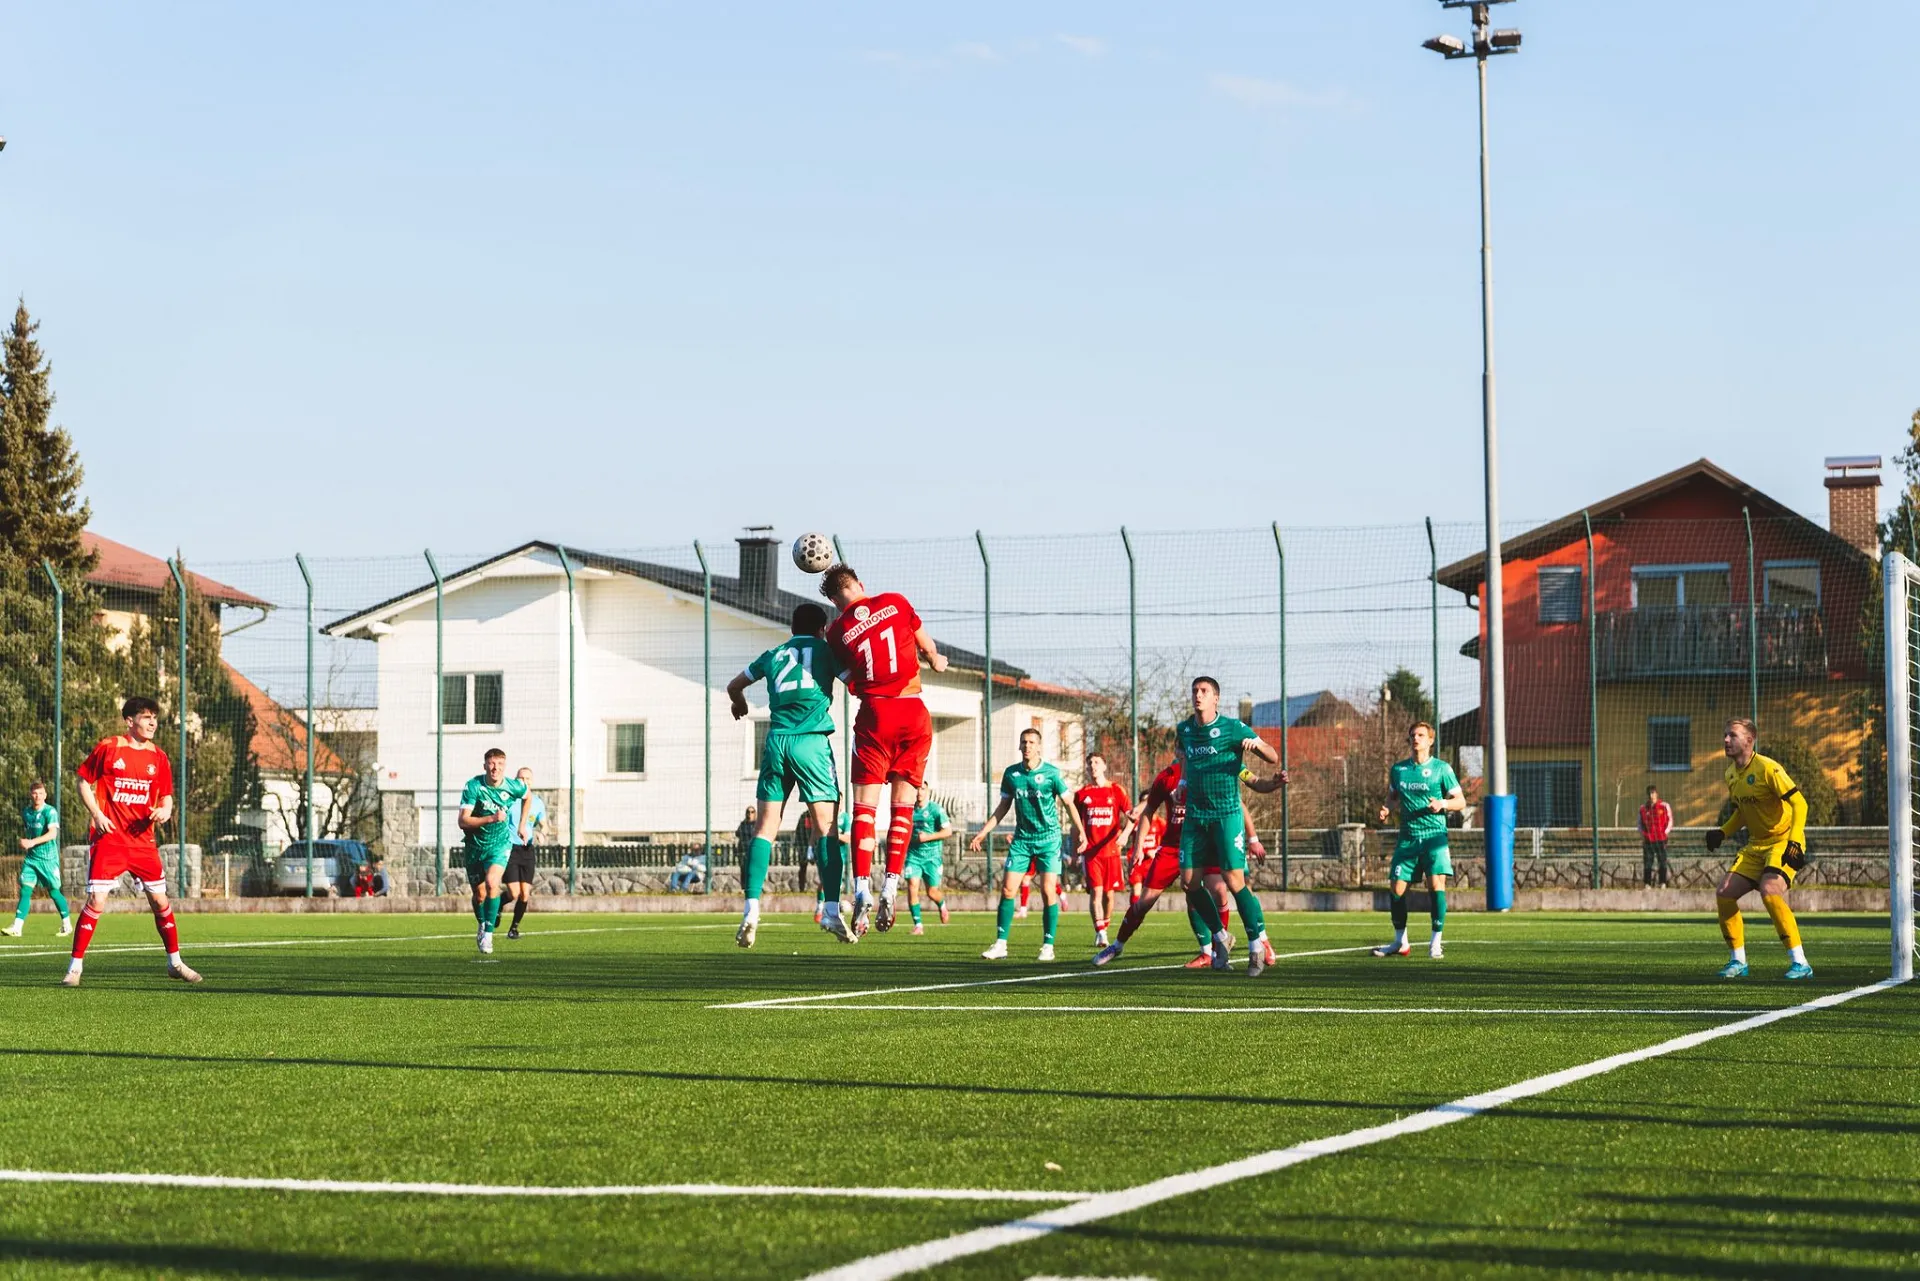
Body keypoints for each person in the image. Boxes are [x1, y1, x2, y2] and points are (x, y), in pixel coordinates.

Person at [820, 564, 948, 935]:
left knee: (864, 810)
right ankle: (892, 884)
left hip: (877, 715)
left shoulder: (837, 631)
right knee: (903, 808)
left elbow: (847, 679)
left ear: (832, 600)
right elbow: (929, 650)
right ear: (860, 584)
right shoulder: (895, 601)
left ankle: (863, 888)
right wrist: (935, 661)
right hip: (913, 713)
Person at [727, 603, 848, 947]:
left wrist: (740, 704)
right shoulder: (826, 651)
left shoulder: (774, 653)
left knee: (765, 829)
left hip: (776, 741)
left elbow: (734, 686)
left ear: (792, 628)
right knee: (826, 829)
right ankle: (830, 909)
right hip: (811, 743)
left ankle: (751, 908)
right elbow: (855, 683)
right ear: (822, 629)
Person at [63, 697, 200, 986]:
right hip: (110, 840)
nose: (153, 723)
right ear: (130, 721)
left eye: (155, 718)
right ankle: (75, 968)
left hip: (142, 842)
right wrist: (97, 814)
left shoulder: (159, 757)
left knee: (160, 901)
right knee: (96, 900)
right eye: (147, 717)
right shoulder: (109, 747)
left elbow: (167, 796)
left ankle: (175, 963)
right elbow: (82, 781)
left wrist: (165, 809)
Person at [1171, 677, 1284, 975]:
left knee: (1234, 882)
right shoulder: (1185, 731)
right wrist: (1182, 783)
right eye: (1195, 691)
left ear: (1216, 699)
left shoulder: (1234, 729)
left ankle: (1256, 947)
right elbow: (1184, 759)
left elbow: (1272, 758)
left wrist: (1256, 747)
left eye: (1204, 691)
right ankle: (1221, 937)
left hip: (1227, 815)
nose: (1198, 695)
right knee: (1188, 883)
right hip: (1195, 816)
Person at [1708, 718, 1814, 980]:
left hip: (1783, 841)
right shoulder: (1731, 775)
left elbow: (1800, 804)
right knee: (1724, 893)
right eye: (1725, 735)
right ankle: (1738, 961)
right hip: (1756, 845)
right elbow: (1743, 813)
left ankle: (1800, 962)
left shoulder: (1768, 768)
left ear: (1749, 740)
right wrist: (1723, 832)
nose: (1726, 741)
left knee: (1769, 890)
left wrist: (1794, 840)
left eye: (1732, 735)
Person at [971, 728, 1087, 961]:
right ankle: (1001, 943)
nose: (1027, 746)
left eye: (1032, 742)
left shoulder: (1052, 774)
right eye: (1024, 742)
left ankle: (1048, 945)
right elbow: (1003, 807)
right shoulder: (1012, 774)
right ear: (1019, 745)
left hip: (1049, 839)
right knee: (1007, 889)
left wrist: (1081, 832)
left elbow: (1069, 804)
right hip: (1022, 840)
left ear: (1039, 746)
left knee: (1047, 890)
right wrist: (983, 832)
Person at [1371, 722, 1465, 960]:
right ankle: (1400, 942)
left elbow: (1460, 801)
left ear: (1430, 741)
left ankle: (1435, 943)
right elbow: (1392, 797)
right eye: (1413, 735)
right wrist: (1387, 809)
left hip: (1434, 838)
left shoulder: (1441, 769)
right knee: (1396, 888)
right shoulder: (1399, 770)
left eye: (1421, 735)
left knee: (1436, 886)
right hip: (1408, 839)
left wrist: (1442, 804)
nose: (1416, 738)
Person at [457, 748, 527, 956]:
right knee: (479, 895)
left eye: (500, 764)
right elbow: (463, 821)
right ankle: (481, 923)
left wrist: (522, 825)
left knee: (492, 883)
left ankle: (488, 933)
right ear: (485, 765)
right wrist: (491, 818)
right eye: (491, 764)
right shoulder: (474, 786)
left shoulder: (513, 786)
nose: (495, 768)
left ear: (505, 767)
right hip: (475, 846)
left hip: (500, 845)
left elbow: (527, 795)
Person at [1072, 754, 1131, 950]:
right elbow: (1075, 824)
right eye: (1090, 763)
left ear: (1104, 766)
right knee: (1096, 892)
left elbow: (1132, 815)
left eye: (1097, 762)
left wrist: (1126, 835)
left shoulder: (1116, 790)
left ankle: (1104, 925)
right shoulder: (1081, 794)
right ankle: (1101, 932)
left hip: (1112, 852)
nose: (1093, 766)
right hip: (1091, 854)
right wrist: (1075, 847)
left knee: (1109, 895)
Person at [7, 781, 71, 938]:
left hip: (48, 859)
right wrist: (24, 842)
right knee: (25, 890)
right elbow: (30, 833)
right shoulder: (26, 812)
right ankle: (17, 927)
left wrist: (32, 842)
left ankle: (67, 925)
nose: (38, 796)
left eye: (41, 793)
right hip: (31, 859)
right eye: (35, 793)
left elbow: (52, 834)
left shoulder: (50, 811)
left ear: (45, 795)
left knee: (54, 892)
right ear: (31, 794)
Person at [501, 768, 546, 939]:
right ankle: (498, 907)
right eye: (521, 778)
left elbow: (543, 824)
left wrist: (543, 833)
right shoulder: (510, 800)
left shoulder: (537, 802)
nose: (524, 781)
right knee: (513, 893)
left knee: (525, 893)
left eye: (527, 778)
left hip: (527, 850)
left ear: (532, 781)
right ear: (515, 780)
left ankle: (514, 928)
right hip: (511, 848)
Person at [904, 784, 953, 935]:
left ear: (928, 791)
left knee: (932, 892)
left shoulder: (936, 810)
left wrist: (928, 837)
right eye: (916, 789)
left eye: (922, 789)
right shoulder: (908, 810)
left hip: (932, 857)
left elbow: (948, 831)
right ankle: (918, 925)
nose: (919, 792)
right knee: (912, 886)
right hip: (913, 856)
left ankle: (942, 904)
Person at [1639, 785, 1674, 888]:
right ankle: (1647, 884)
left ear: (1656, 794)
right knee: (1648, 862)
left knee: (1662, 861)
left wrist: (1665, 832)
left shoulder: (1664, 806)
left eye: (1653, 793)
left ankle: (1662, 883)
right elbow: (1639, 824)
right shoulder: (1643, 809)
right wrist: (1643, 835)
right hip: (1648, 840)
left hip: (1661, 839)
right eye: (1649, 793)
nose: (1651, 795)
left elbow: (1670, 820)